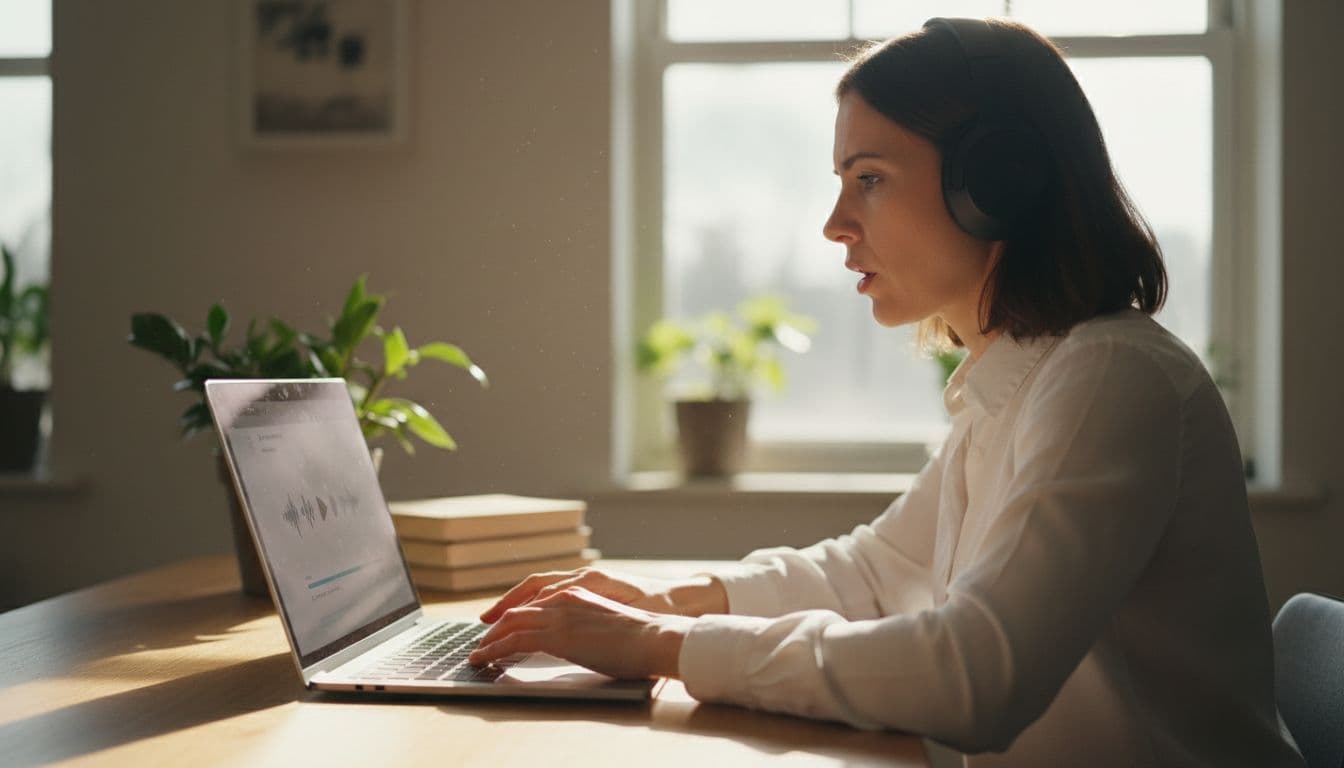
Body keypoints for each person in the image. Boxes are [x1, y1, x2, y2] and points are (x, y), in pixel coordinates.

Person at [468, 17, 1304, 767]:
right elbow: (874, 572)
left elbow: (975, 674)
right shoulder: (1019, 382)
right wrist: (664, 599)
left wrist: (660, 642)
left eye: (868, 178)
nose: (835, 222)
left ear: (995, 186)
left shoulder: (1112, 381)